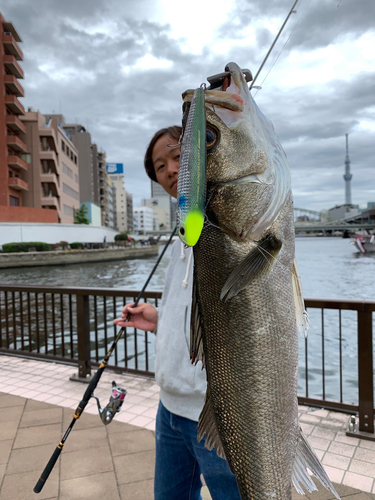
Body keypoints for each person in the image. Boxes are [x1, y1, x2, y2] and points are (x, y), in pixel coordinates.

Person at [114, 126, 241, 500]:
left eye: (177, 156)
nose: (170, 169)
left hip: (216, 414)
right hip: (169, 407)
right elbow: (192, 309)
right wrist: (158, 320)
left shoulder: (222, 225)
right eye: (159, 165)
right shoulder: (184, 233)